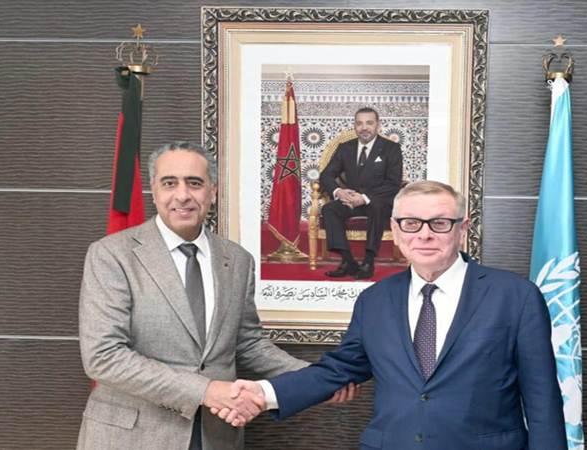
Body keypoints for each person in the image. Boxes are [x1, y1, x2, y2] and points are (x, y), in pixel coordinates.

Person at [226, 180, 568, 450]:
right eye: (411, 223)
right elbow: (339, 370)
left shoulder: (516, 296)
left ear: (463, 228)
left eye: (439, 223)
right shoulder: (375, 300)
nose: (424, 234)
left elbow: (542, 402)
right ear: (395, 228)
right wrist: (263, 393)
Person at [77, 141, 354, 450]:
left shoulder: (237, 260)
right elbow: (104, 357)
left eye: (194, 183)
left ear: (213, 191)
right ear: (153, 191)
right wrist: (206, 391)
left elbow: (247, 343)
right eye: (169, 183)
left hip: (216, 435)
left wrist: (314, 379)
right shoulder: (112, 255)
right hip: (132, 436)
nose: (182, 195)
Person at [320, 107, 403, 280]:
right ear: (354, 126)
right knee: (329, 209)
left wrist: (364, 198)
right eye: (359, 123)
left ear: (378, 125)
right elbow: (326, 175)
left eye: (369, 123)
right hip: (351, 201)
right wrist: (339, 192)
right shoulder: (345, 148)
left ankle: (368, 262)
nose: (364, 128)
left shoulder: (391, 148)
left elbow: (394, 183)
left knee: (376, 207)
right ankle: (347, 260)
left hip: (379, 201)